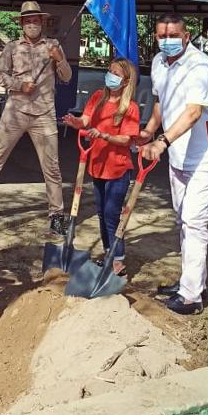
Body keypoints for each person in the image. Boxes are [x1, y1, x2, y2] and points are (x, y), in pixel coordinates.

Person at [138, 13, 208, 316]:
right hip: (178, 154)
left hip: (204, 154)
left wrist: (161, 141)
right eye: (161, 36)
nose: (166, 41)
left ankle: (191, 296)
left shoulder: (200, 65)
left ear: (186, 36)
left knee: (194, 221)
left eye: (173, 35)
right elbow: (161, 102)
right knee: (182, 220)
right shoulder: (158, 63)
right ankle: (189, 282)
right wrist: (149, 130)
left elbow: (192, 113)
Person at [0, 1, 71, 234]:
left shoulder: (53, 45)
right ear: (21, 23)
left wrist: (59, 59)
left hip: (44, 113)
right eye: (28, 21)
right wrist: (19, 85)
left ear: (42, 22)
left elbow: (67, 77)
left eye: (36, 20)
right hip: (15, 111)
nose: (32, 24)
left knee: (52, 167)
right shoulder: (11, 47)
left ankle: (57, 213)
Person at [63, 59, 140, 275]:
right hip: (97, 165)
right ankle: (109, 252)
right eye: (109, 71)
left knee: (111, 214)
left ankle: (118, 260)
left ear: (125, 81)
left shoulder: (130, 107)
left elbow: (127, 139)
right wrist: (75, 122)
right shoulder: (98, 97)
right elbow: (86, 121)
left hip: (118, 168)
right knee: (100, 212)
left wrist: (105, 135)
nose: (110, 76)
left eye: (115, 73)